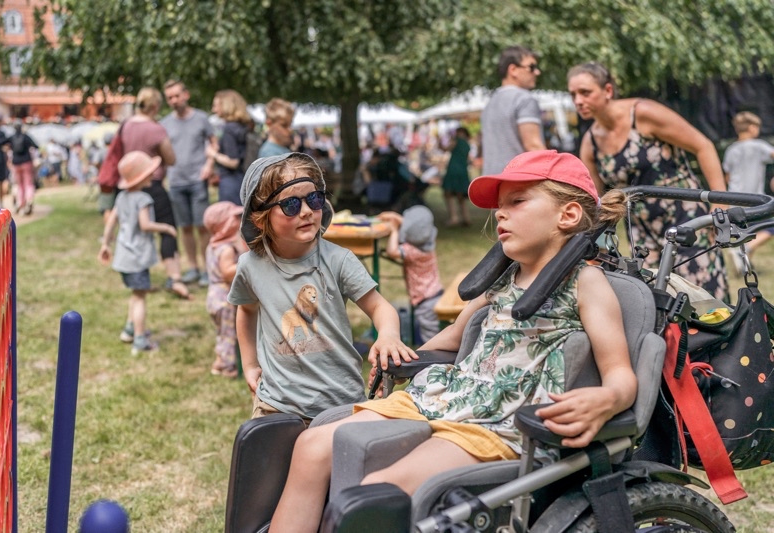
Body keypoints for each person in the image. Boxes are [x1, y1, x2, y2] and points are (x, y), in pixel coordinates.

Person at [269, 150, 638, 533]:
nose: (499, 213)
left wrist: (608, 398)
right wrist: (402, 352)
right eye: (499, 205)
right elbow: (452, 337)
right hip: (450, 395)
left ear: (568, 215)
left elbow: (622, 376)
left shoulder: (586, 283)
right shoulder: (503, 277)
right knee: (311, 447)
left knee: (376, 493)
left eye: (517, 201)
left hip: (498, 420)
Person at [227, 152, 418, 421]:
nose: (306, 211)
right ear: (260, 217)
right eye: (291, 205)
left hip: (341, 402)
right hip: (276, 404)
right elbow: (246, 311)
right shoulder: (250, 266)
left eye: (314, 199)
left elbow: (379, 307)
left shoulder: (339, 260)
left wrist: (388, 335)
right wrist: (249, 364)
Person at [567, 61, 729, 301]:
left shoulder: (643, 114)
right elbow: (593, 200)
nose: (578, 100)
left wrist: (719, 201)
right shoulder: (591, 142)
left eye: (585, 92)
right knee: (658, 300)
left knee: (703, 297)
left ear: (608, 91)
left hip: (685, 219)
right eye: (573, 94)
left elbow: (703, 146)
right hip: (642, 233)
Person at [98, 151, 179, 355]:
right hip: (137, 257)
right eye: (150, 173)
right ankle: (140, 339)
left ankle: (129, 330)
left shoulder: (122, 197)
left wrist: (105, 244)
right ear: (142, 177)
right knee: (141, 297)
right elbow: (145, 225)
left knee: (135, 294)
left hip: (124, 256)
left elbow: (110, 223)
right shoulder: (143, 198)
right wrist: (166, 228)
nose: (153, 175)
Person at [122, 86, 190, 299]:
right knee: (167, 229)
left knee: (135, 230)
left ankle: (139, 278)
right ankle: (175, 277)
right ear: (154, 106)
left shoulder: (126, 125)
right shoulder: (155, 129)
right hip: (152, 184)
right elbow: (170, 159)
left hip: (130, 185)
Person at [161, 79, 217, 288]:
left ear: (186, 95)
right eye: (170, 98)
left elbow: (214, 143)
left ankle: (206, 269)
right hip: (175, 181)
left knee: (202, 227)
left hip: (197, 180)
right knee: (184, 228)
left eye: (177, 96)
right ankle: (192, 267)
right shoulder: (164, 124)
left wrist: (210, 164)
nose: (174, 100)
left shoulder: (201, 119)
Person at [380, 205, 443, 345]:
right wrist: (397, 217)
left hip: (425, 301)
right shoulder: (426, 243)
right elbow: (416, 227)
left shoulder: (413, 251)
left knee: (431, 338)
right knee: (431, 332)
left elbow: (392, 251)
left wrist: (394, 231)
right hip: (433, 295)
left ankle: (435, 360)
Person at [481, 45, 545, 175]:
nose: (537, 72)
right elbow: (533, 146)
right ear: (513, 70)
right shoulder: (524, 99)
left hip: (492, 182)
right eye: (532, 67)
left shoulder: (490, 103)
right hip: (518, 182)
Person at [722, 111, 774, 268]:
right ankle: (744, 251)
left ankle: (744, 262)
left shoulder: (731, 149)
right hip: (754, 199)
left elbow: (727, 177)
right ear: (752, 128)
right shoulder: (759, 146)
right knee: (770, 227)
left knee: (746, 233)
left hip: (734, 200)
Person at [203, 201, 248, 378]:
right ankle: (228, 367)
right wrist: (246, 264)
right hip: (225, 298)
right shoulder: (226, 249)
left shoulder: (212, 245)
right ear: (226, 224)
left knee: (222, 332)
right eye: (235, 218)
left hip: (213, 297)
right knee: (230, 334)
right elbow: (227, 272)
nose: (239, 221)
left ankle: (219, 362)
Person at [205, 89, 253, 206]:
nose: (213, 110)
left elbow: (233, 161)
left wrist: (213, 154)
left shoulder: (229, 129)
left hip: (230, 182)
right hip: (242, 179)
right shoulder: (241, 127)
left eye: (216, 105)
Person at [1, 122, 39, 215]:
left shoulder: (11, 137)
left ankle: (20, 203)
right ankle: (29, 200)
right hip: (26, 162)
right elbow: (36, 146)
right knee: (28, 183)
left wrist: (8, 147)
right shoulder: (26, 137)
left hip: (16, 163)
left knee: (19, 185)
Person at [442, 126, 473, 226]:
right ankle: (466, 217)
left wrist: (440, 141)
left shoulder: (456, 141)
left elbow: (446, 149)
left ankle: (454, 217)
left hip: (453, 170)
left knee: (449, 193)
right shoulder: (468, 144)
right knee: (461, 195)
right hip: (463, 170)